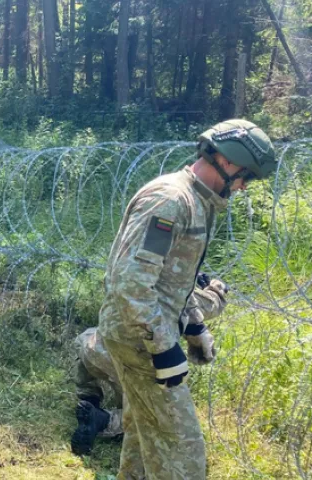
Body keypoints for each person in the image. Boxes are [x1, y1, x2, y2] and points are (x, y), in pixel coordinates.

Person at [97, 119, 276, 480]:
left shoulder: (199, 202)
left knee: (144, 433)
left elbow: (173, 280)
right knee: (182, 453)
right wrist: (164, 348)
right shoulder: (170, 201)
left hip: (144, 331)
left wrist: (194, 325)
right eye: (246, 176)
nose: (243, 186)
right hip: (138, 340)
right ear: (226, 161)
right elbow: (130, 283)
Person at [71, 273, 229, 455]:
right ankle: (104, 420)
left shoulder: (128, 274)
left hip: (98, 349)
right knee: (158, 415)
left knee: (85, 339)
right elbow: (211, 304)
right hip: (135, 365)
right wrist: (216, 288)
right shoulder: (178, 291)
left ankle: (88, 398)